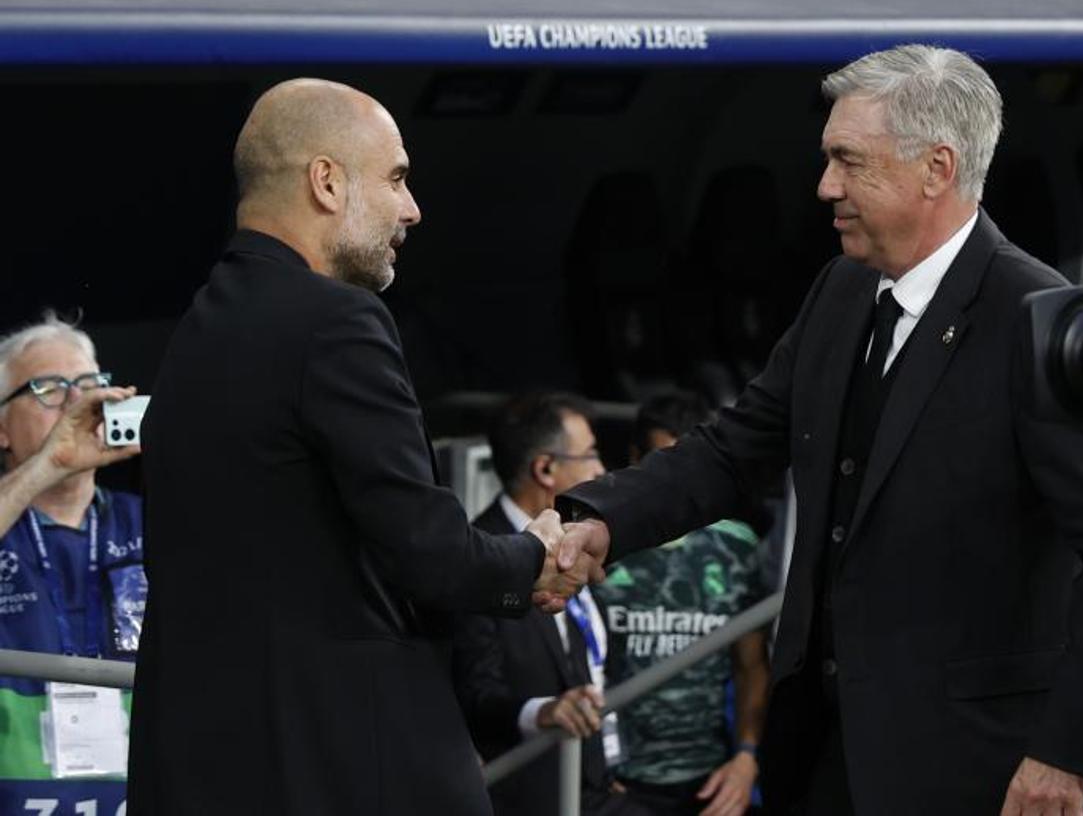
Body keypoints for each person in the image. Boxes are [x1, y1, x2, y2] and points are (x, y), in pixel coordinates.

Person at [559, 44, 1083, 815]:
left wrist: (1067, 752)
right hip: (827, 756)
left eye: (849, 162)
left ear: (937, 168)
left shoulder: (1036, 317)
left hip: (980, 772)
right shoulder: (842, 288)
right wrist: (604, 518)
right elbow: (737, 445)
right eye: (828, 161)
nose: (825, 188)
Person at [126, 79, 601, 816]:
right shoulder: (338, 323)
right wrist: (534, 555)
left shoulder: (198, 330)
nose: (413, 209)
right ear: (326, 181)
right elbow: (434, 556)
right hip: (347, 765)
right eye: (398, 178)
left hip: (204, 765)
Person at [453, 391, 646, 816]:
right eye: (591, 454)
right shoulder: (481, 558)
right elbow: (477, 694)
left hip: (598, 786)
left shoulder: (573, 538)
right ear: (545, 468)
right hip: (532, 796)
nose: (601, 469)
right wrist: (544, 712)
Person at [596, 390, 770, 816]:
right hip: (619, 785)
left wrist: (747, 758)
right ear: (636, 458)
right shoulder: (599, 545)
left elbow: (752, 667)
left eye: (684, 467)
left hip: (709, 783)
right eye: (660, 463)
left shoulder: (735, 547)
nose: (672, 484)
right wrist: (591, 773)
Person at [0, 312, 145, 815]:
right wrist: (48, 465)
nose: (76, 403)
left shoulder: (151, 523)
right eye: (49, 388)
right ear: (1, 427)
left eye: (88, 385)